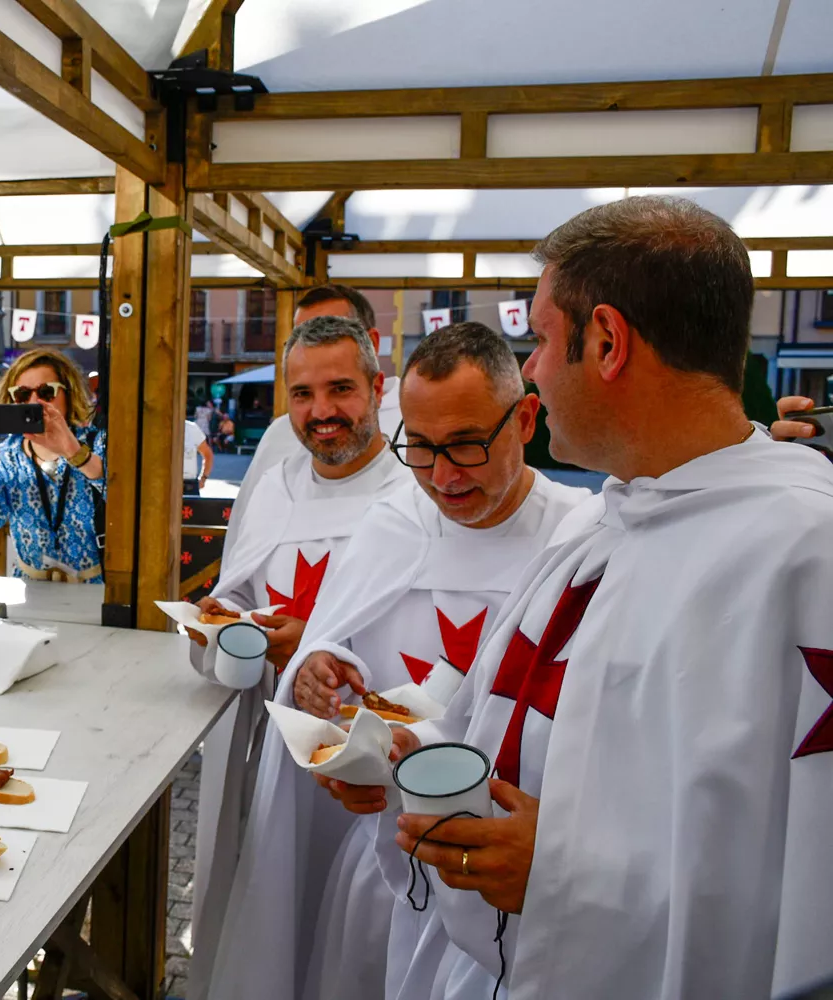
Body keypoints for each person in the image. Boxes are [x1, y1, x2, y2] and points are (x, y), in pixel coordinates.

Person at [333, 196, 833, 1000]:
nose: (529, 369)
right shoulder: (608, 521)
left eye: (539, 339)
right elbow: (533, 736)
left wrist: (566, 877)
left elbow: (809, 893)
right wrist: (409, 764)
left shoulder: (805, 557)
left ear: (606, 341)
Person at [206, 323, 592, 1000]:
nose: (442, 477)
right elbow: (337, 646)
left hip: (508, 871)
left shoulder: (580, 539)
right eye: (420, 447)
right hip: (386, 856)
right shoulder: (395, 522)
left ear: (525, 418)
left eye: (467, 446)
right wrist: (321, 674)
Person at [188, 315, 410, 998]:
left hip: (363, 763)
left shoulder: (415, 498)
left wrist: (315, 642)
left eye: (340, 389)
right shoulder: (276, 488)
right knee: (268, 913)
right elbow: (235, 602)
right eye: (302, 395)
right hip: (269, 753)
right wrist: (225, 634)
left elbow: (420, 638)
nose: (321, 413)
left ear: (377, 389)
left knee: (342, 938)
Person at [223, 285, 404, 556]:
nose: (321, 411)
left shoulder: (422, 425)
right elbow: (244, 543)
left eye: (332, 331)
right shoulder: (281, 434)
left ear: (372, 344)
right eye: (302, 335)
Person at [0, 347, 105, 582]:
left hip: (95, 588)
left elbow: (124, 497)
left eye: (47, 391)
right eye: (23, 394)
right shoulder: (7, 456)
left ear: (69, 394)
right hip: (30, 590)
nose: (35, 401)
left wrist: (72, 450)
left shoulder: (98, 443)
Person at [183, 418, 214, 496]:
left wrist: (203, 478)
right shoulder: (157, 428)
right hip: (163, 484)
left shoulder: (192, 428)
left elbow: (208, 455)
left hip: (189, 484)